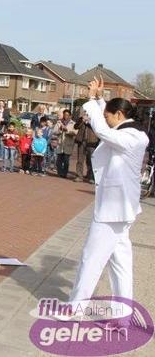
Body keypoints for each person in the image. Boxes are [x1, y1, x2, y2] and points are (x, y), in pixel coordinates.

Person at [67, 78, 148, 310]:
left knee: (91, 259)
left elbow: (103, 131)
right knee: (120, 264)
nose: (106, 119)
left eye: (108, 115)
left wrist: (91, 100)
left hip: (113, 210)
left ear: (119, 114)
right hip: (121, 209)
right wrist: (100, 99)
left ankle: (76, 308)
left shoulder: (131, 137)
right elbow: (109, 123)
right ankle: (123, 313)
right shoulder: (130, 131)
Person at [53, 109, 77, 178]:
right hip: (60, 144)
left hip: (68, 144)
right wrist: (59, 130)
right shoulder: (59, 122)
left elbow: (75, 132)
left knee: (66, 161)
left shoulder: (73, 123)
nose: (66, 116)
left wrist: (67, 130)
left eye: (67, 115)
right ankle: (60, 173)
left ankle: (64, 173)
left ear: (70, 116)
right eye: (64, 115)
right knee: (58, 161)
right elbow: (54, 132)